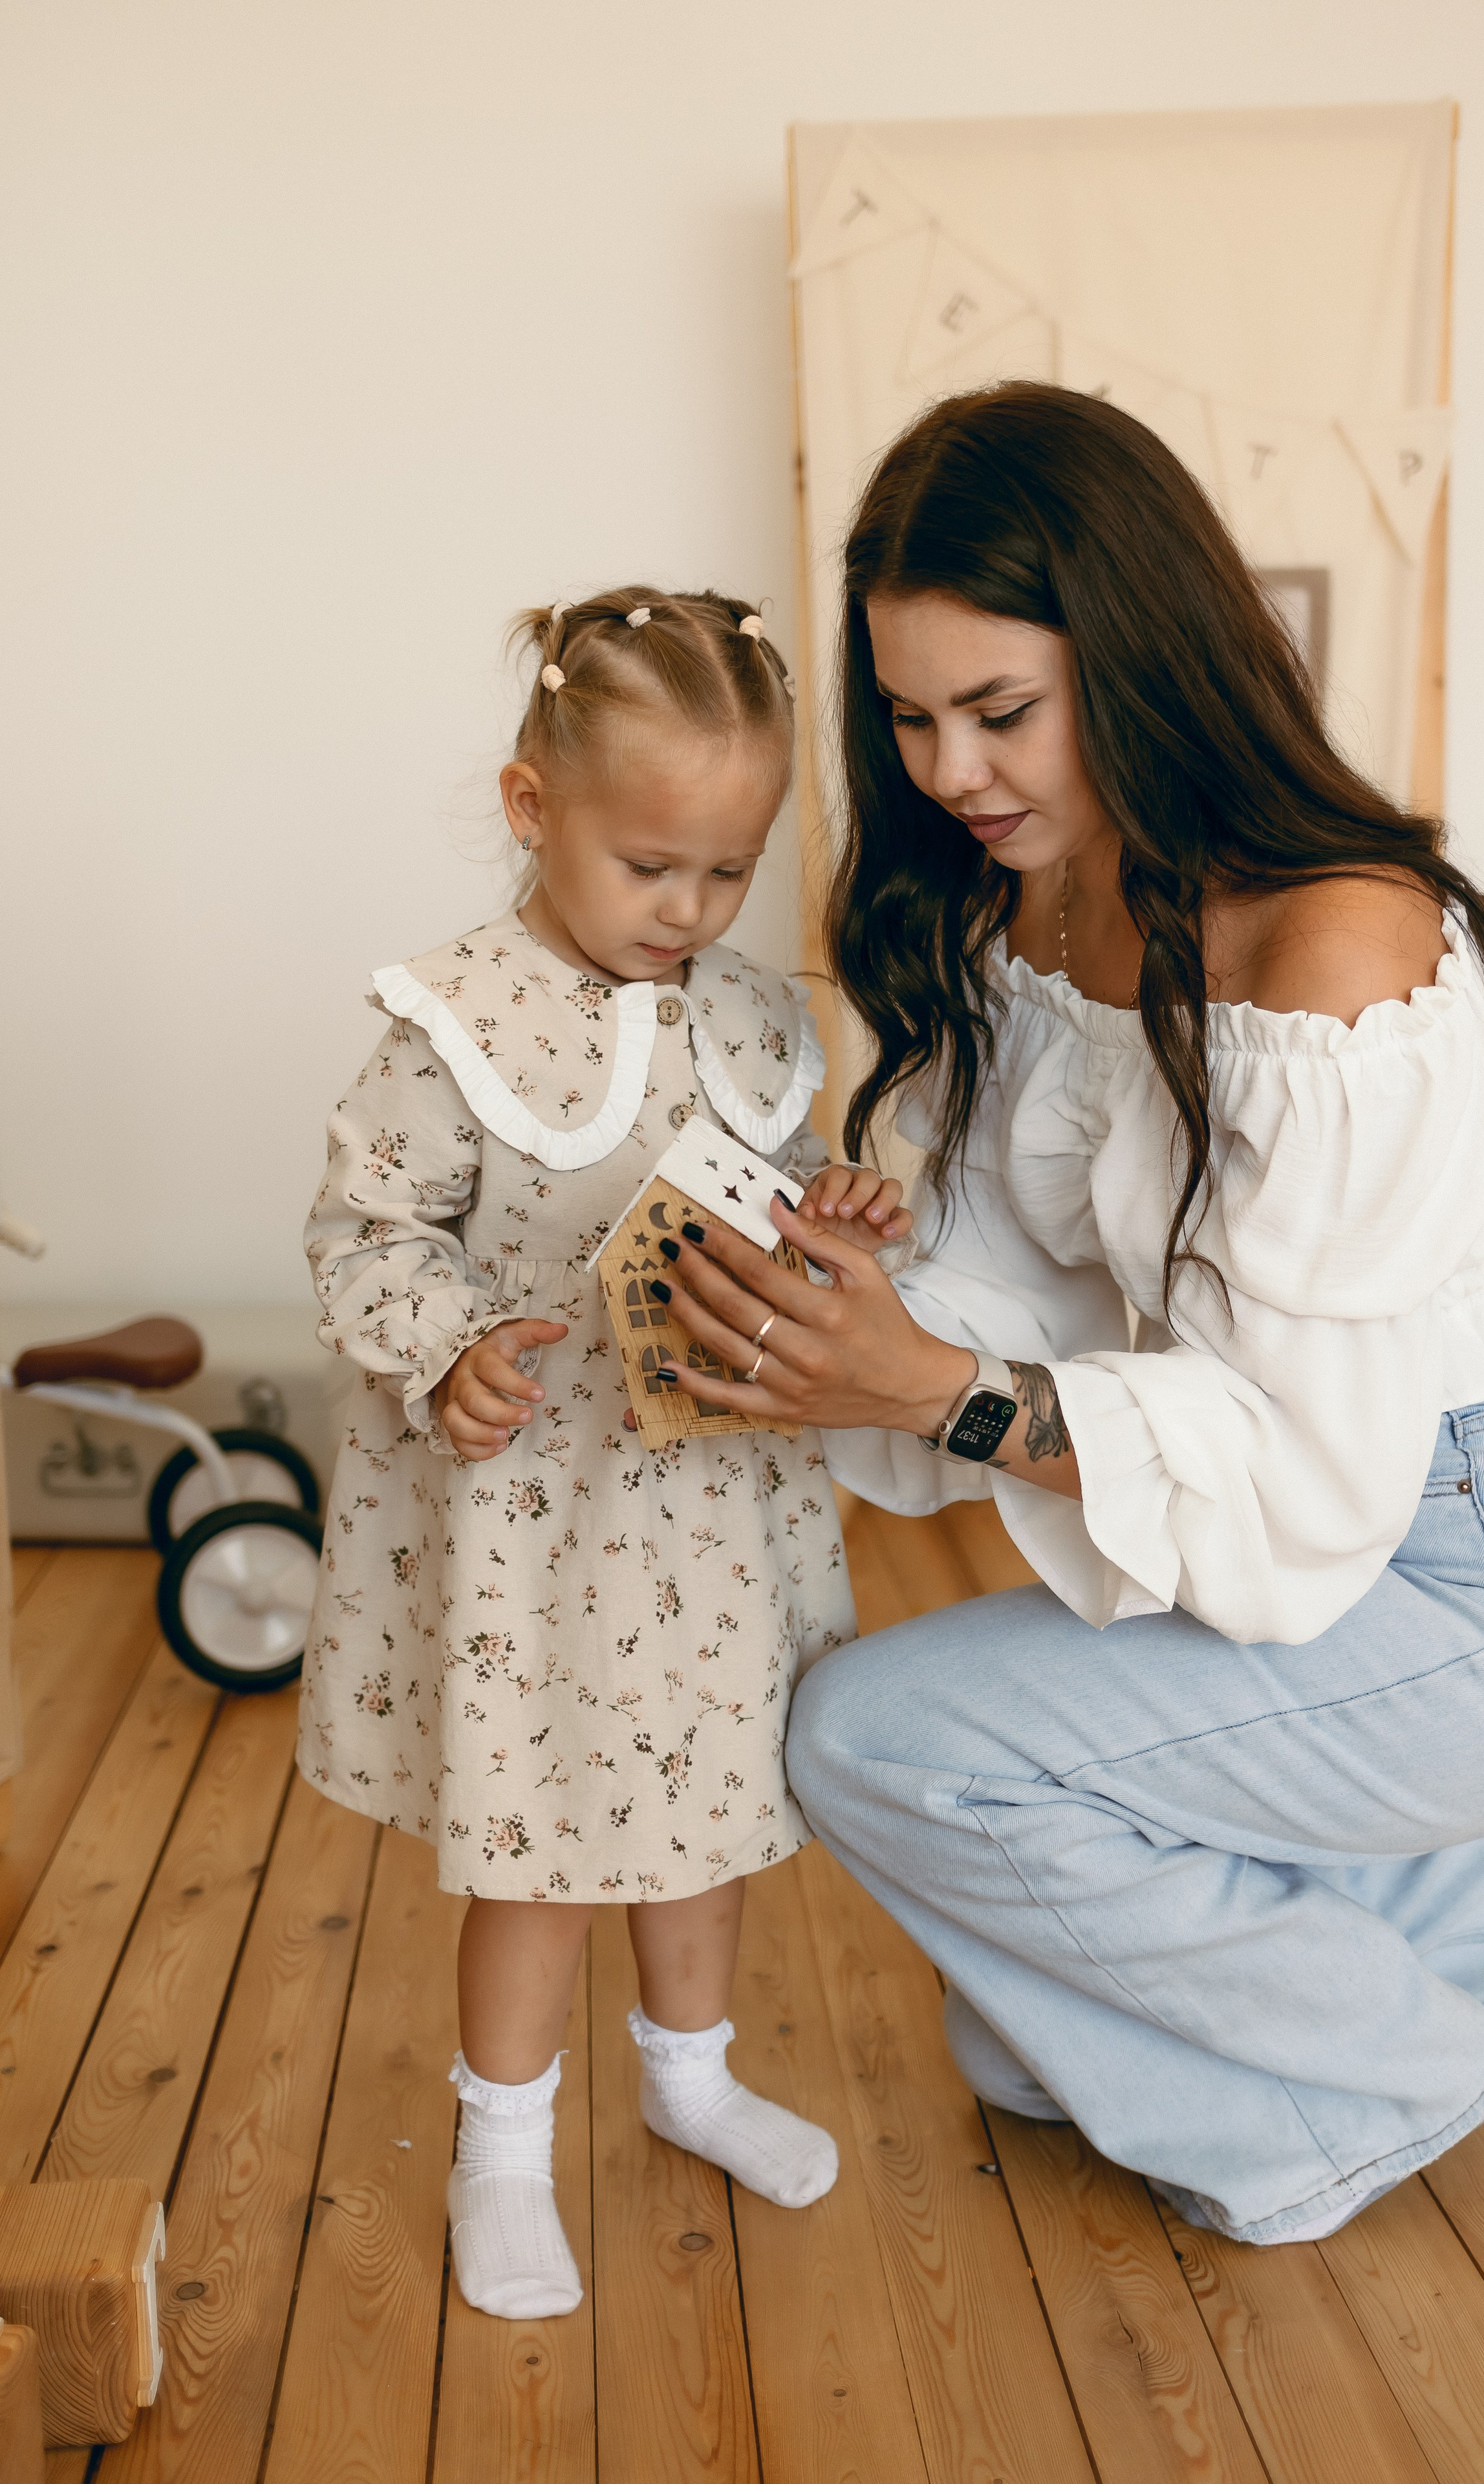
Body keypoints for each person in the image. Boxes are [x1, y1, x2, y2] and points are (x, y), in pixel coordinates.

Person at [642, 383, 1484, 2246]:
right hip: (1305, 1543)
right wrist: (852, 1293)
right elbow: (1015, 1285)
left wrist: (944, 1389)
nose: (951, 769)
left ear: (1144, 654)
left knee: (881, 1741)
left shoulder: (1331, 947)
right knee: (1032, 2051)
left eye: (1001, 710)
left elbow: (1302, 1476)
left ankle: (1388, 2071)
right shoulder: (1015, 906)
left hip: (1466, 1563)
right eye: (912, 714)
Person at [298, 586, 909, 2317]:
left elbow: (754, 1186)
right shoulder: (453, 1027)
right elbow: (364, 1233)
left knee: (701, 1804)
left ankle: (691, 2070)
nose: (692, 909)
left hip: (706, 1509)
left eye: (728, 869)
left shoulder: (739, 1012)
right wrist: (450, 1350)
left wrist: (825, 1198)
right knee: (545, 1838)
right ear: (530, 807)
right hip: (534, 1524)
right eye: (654, 866)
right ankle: (502, 2148)